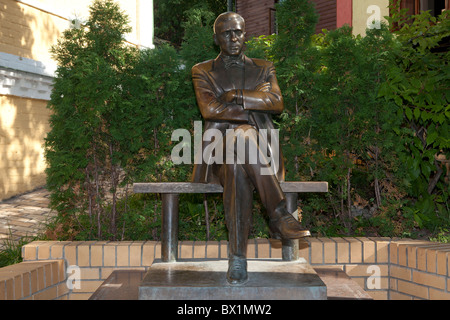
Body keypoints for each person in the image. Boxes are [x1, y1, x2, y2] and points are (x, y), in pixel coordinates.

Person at [191, 12, 310, 285]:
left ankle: (237, 259)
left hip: (259, 154)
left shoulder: (263, 67)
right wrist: (255, 104)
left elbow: (277, 102)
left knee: (237, 164)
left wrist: (236, 96)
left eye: (239, 32)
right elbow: (210, 108)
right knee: (243, 136)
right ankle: (279, 215)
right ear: (216, 38)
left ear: (246, 34)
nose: (234, 38)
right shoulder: (202, 70)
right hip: (218, 149)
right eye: (226, 33)